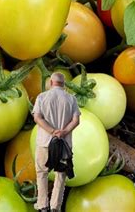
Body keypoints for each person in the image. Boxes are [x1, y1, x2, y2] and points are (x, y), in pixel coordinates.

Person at [32, 72, 81, 212]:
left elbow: (37, 118)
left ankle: (42, 205)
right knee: (60, 175)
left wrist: (52, 131)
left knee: (42, 173)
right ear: (63, 83)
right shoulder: (71, 99)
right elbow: (76, 121)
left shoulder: (42, 97)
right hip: (64, 144)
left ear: (51, 82)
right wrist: (63, 132)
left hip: (44, 143)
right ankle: (55, 206)